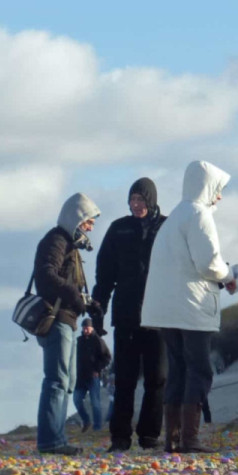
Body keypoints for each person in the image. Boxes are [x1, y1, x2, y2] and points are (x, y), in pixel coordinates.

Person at [143, 160, 237, 454]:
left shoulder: (175, 217)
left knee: (179, 369)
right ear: (206, 187)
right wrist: (230, 275)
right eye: (218, 189)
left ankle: (173, 438)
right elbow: (208, 264)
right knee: (199, 371)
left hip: (166, 310)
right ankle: (189, 439)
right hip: (191, 308)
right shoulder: (199, 215)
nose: (219, 196)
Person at [95, 177, 168, 451]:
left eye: (140, 200)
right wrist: (99, 308)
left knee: (157, 378)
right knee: (124, 379)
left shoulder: (168, 227)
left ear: (151, 200)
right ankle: (120, 436)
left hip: (159, 315)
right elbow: (104, 275)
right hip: (126, 315)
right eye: (132, 200)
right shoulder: (118, 229)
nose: (136, 205)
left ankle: (149, 435)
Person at [33, 192, 101, 455]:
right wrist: (75, 297)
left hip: (69, 319)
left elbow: (66, 281)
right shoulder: (56, 240)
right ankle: (51, 441)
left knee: (66, 381)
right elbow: (46, 275)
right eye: (88, 221)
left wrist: (89, 303)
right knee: (57, 380)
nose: (91, 227)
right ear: (76, 218)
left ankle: (56, 438)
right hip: (57, 319)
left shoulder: (68, 245)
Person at [75, 321, 110, 432]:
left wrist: (97, 369)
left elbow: (107, 357)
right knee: (77, 399)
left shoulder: (98, 340)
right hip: (80, 377)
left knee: (95, 402)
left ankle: (97, 427)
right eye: (83, 328)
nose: (85, 330)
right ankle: (86, 421)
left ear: (91, 328)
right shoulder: (79, 341)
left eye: (87, 328)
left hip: (93, 376)